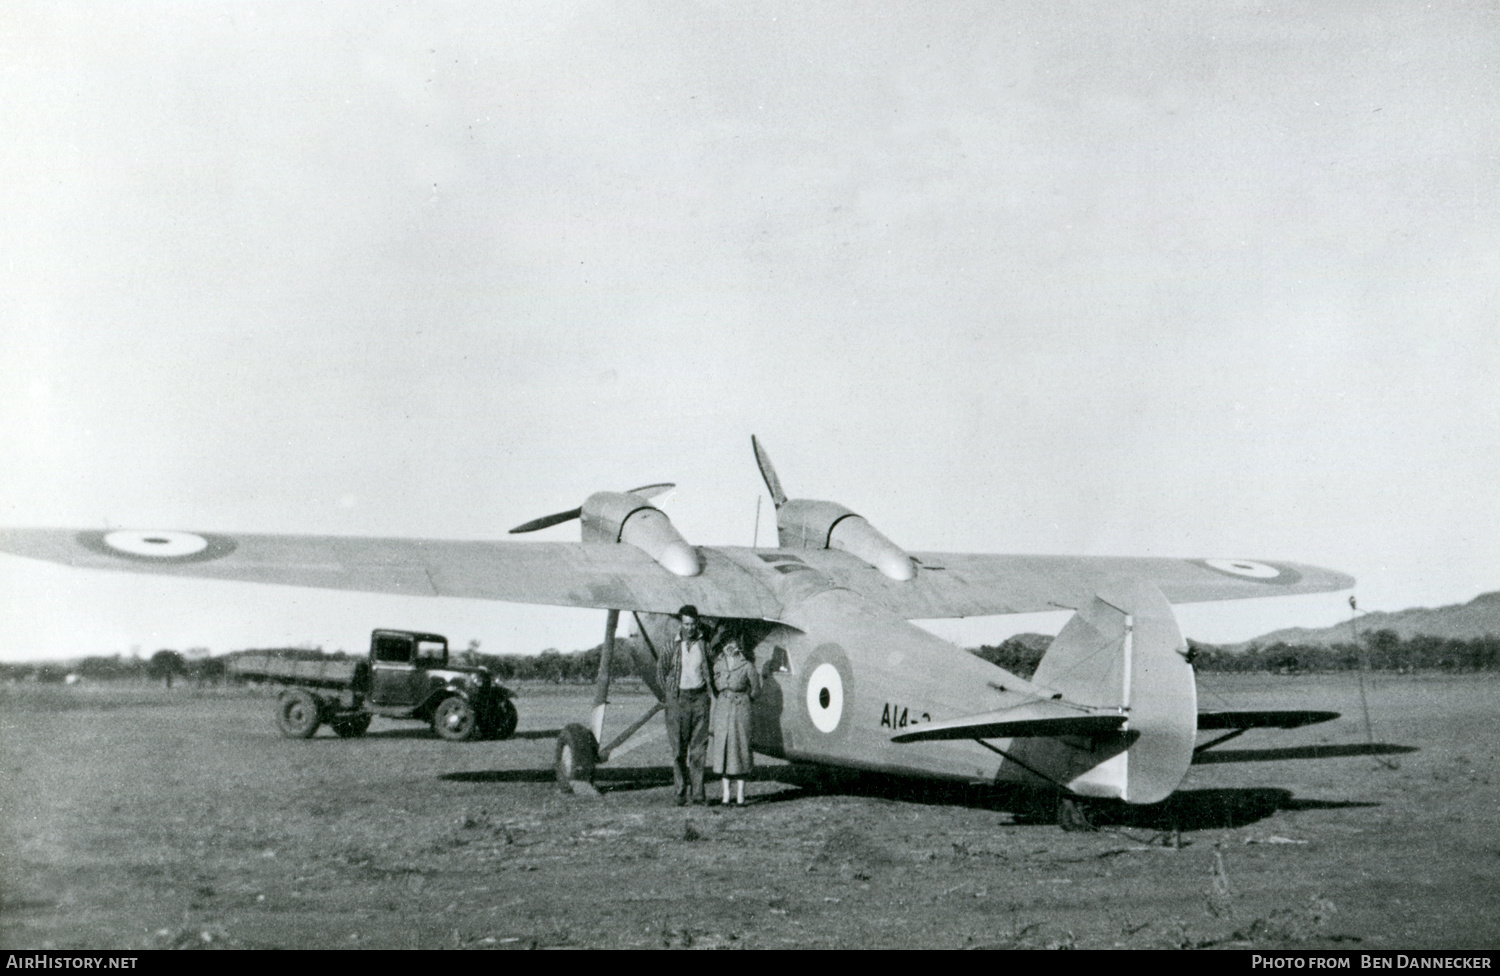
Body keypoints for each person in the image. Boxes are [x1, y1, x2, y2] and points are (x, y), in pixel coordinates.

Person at [658, 605, 716, 805]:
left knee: (699, 750)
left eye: (692, 624)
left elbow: (710, 667)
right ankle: (680, 793)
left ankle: (698, 794)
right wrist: (670, 696)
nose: (689, 628)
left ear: (697, 624)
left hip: (699, 700)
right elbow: (661, 673)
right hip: (678, 700)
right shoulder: (671, 647)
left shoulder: (704, 645)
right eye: (686, 624)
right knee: (678, 751)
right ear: (680, 624)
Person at [710, 632, 761, 806]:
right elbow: (715, 686)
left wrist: (744, 699)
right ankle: (725, 795)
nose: (728, 646)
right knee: (723, 751)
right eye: (725, 643)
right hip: (723, 709)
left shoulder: (747, 665)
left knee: (740, 750)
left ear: (738, 644)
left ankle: (740, 795)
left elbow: (756, 690)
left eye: (731, 642)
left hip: (741, 710)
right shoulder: (718, 665)